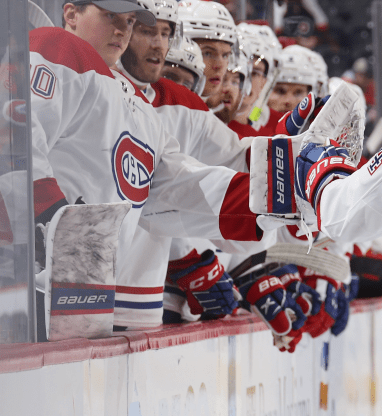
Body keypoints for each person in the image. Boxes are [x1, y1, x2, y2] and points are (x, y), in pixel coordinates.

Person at [30, 0, 284, 338]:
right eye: (110, 17)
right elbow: (15, 138)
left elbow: (174, 187)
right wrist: (47, 215)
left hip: (87, 301)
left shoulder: (137, 106)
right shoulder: (57, 48)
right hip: (25, 287)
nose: (122, 30)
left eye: (130, 21)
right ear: (71, 14)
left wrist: (279, 192)